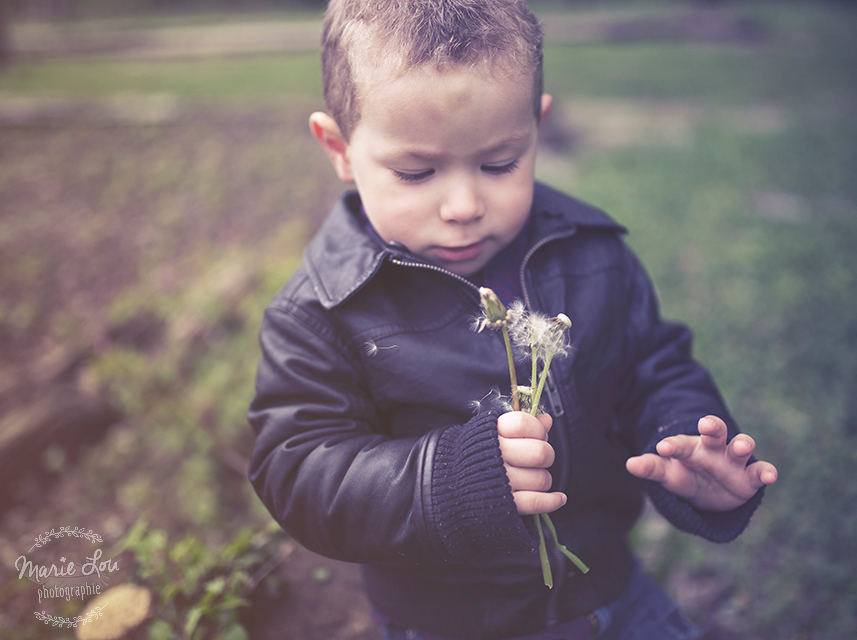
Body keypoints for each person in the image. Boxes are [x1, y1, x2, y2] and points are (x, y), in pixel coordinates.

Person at [247, 1, 778, 638]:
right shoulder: (321, 312)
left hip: (612, 594)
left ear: (537, 126)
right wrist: (450, 481)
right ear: (338, 148)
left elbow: (652, 366)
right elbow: (301, 471)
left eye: (500, 164)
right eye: (416, 173)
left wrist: (684, 440)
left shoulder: (592, 254)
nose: (465, 205)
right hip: (448, 624)